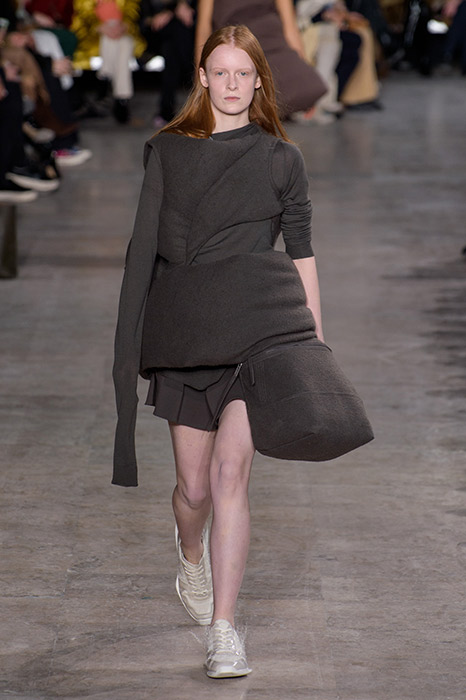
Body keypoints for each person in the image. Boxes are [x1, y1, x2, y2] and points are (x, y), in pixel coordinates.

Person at [112, 24, 324, 678]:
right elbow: (143, 252)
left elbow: (302, 254)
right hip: (187, 333)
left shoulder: (282, 160)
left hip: (258, 333)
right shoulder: (169, 153)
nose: (232, 84)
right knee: (195, 487)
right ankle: (190, 554)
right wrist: (134, 343)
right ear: (203, 78)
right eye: (221, 72)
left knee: (232, 476)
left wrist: (314, 342)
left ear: (259, 81)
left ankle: (225, 630)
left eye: (244, 73)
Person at [195, 0, 328, 120]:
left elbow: (290, 28)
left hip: (275, 47)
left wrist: (304, 76)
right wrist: (200, 85)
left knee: (308, 88)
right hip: (236, 51)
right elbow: (203, 32)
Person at [138, 0, 196, 127]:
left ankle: (166, 109)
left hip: (183, 36)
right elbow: (142, 20)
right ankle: (195, 84)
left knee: (172, 45)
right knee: (175, 36)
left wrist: (175, 11)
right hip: (156, 36)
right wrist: (169, 12)